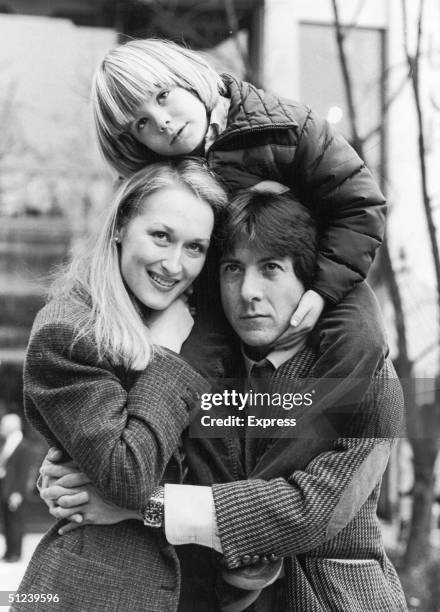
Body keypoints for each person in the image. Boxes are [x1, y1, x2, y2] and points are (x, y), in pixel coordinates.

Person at [43, 190, 407, 612]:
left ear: (308, 282)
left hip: (329, 597)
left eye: (271, 268)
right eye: (234, 269)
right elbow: (131, 454)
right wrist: (70, 471)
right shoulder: (198, 367)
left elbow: (308, 511)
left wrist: (143, 505)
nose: (248, 291)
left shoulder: (360, 373)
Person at [91, 36, 388, 430]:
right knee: (180, 377)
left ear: (188, 77)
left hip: (317, 275)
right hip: (217, 296)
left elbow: (359, 203)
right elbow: (121, 258)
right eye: (141, 123)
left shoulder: (286, 126)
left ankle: (283, 476)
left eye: (162, 95)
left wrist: (323, 290)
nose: (161, 122)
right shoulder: (160, 178)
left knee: (361, 338)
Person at [12, 159, 227, 612]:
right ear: (120, 226)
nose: (174, 264)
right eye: (161, 236)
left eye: (195, 248)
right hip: (89, 591)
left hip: (195, 586)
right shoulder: (68, 333)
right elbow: (128, 475)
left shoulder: (204, 324)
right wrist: (166, 354)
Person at [0, 413, 32, 562]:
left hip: (14, 491)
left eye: (3, 425)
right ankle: (9, 551)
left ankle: (16, 553)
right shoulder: (8, 443)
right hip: (5, 489)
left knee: (16, 522)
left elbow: (23, 472)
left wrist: (17, 492)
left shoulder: (23, 445)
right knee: (7, 521)